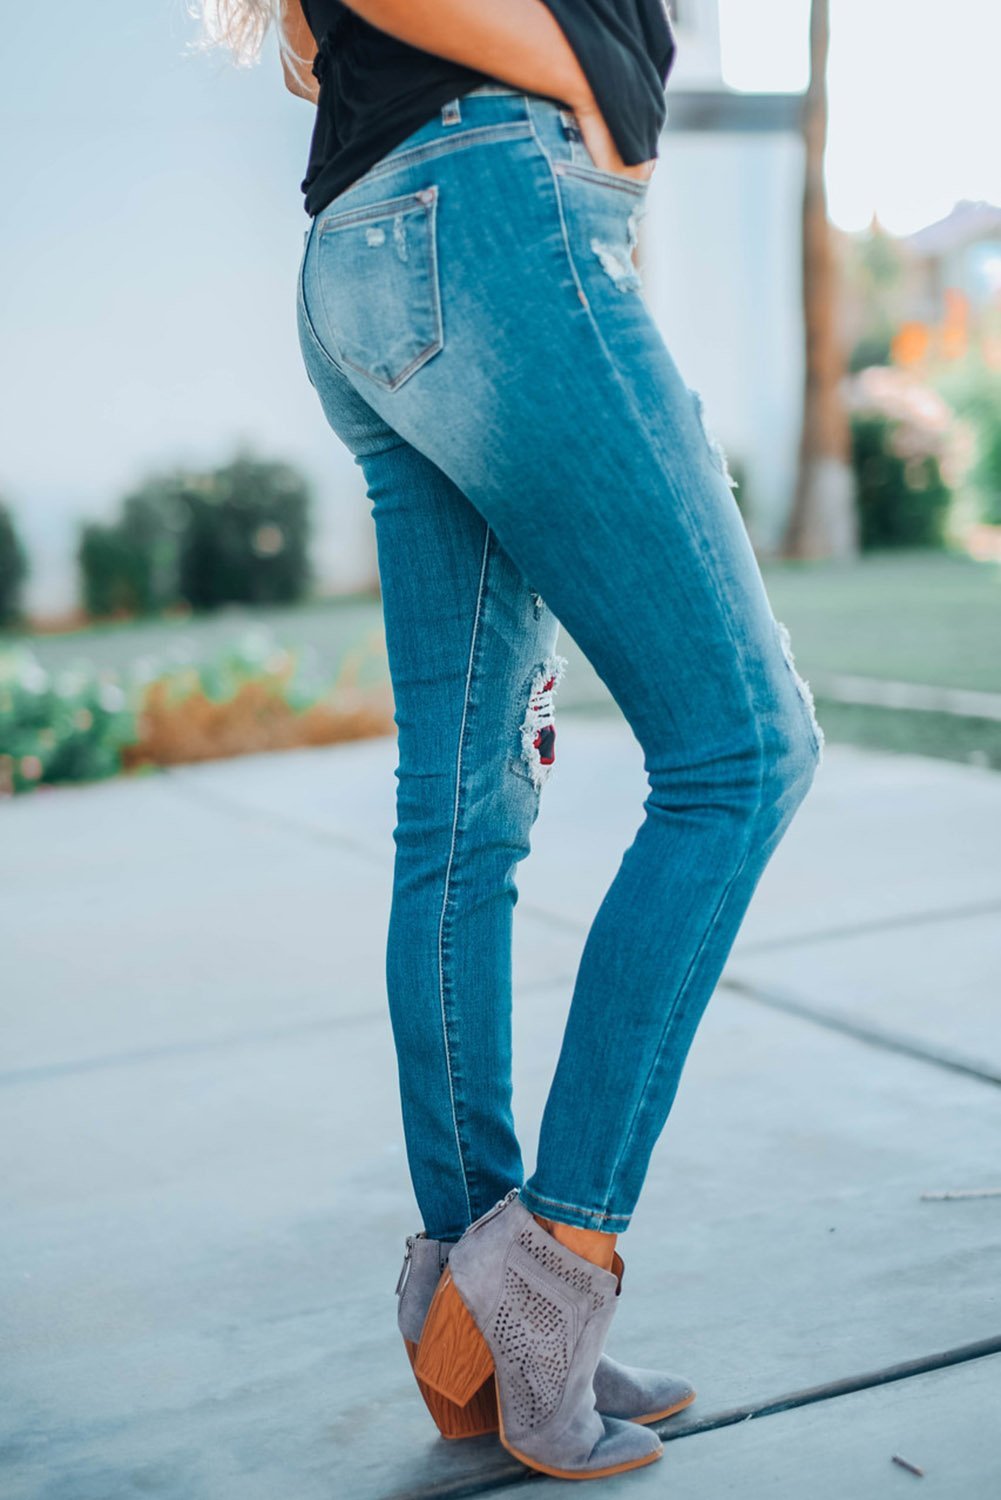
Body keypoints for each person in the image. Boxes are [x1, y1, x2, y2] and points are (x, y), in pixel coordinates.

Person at [198, 0, 825, 1479]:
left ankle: (470, 1309)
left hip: (385, 240)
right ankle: (550, 1280)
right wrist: (593, 87)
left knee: (462, 819)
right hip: (485, 217)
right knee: (742, 753)